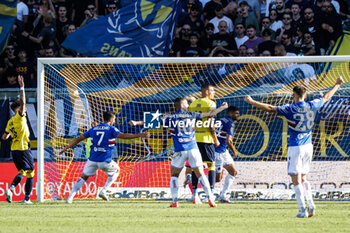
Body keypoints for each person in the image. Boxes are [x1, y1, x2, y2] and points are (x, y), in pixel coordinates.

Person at [244, 76, 344, 218]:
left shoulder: (290, 108)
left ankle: (302, 209)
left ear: (293, 95)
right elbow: (327, 97)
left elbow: (270, 108)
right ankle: (311, 205)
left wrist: (252, 101)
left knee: (295, 179)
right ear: (305, 95)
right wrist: (337, 84)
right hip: (309, 146)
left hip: (296, 146)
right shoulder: (312, 104)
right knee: (303, 177)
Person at [60, 111, 150, 203]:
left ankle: (70, 198)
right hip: (105, 161)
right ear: (111, 119)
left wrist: (67, 147)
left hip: (92, 160)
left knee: (83, 177)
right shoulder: (111, 129)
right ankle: (104, 191)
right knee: (117, 171)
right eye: (114, 119)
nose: (114, 121)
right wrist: (139, 135)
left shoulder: (93, 129)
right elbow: (123, 136)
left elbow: (79, 139)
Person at [165, 98, 228, 207]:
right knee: (201, 174)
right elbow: (210, 113)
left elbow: (150, 121)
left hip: (180, 150)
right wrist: (222, 108)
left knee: (174, 175)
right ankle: (211, 199)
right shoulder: (192, 115)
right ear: (182, 104)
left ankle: (175, 201)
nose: (188, 105)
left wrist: (136, 122)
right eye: (186, 103)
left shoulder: (170, 117)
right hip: (193, 149)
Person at [3, 75, 34, 204]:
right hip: (23, 149)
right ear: (18, 109)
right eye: (23, 108)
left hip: (14, 150)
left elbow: (4, 137)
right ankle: (21, 195)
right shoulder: (19, 117)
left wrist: (11, 134)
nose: (25, 109)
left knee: (23, 171)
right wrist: (22, 87)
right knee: (29, 172)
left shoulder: (10, 122)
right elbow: (23, 102)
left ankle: (15, 192)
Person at [188, 83, 219, 204]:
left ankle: (194, 195)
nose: (214, 93)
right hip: (206, 139)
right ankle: (210, 194)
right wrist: (215, 139)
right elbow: (211, 123)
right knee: (211, 165)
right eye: (212, 91)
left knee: (196, 167)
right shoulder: (211, 104)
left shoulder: (193, 104)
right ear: (206, 92)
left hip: (194, 139)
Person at [215, 106, 240, 203]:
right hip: (218, 152)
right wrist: (234, 151)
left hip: (223, 151)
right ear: (230, 113)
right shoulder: (230, 123)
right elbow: (229, 141)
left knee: (233, 172)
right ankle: (198, 186)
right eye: (236, 113)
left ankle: (223, 195)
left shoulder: (220, 120)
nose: (238, 115)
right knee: (216, 179)